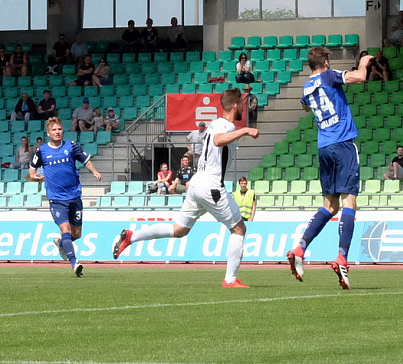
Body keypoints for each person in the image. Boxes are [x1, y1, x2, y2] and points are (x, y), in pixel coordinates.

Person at [113, 88, 260, 288]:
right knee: (239, 229)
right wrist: (245, 130)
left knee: (180, 229)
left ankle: (132, 236)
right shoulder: (226, 126)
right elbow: (218, 140)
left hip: (197, 183)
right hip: (211, 186)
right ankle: (230, 280)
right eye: (241, 105)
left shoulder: (215, 124)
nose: (243, 108)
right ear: (235, 105)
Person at [286, 47, 372, 290]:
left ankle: (300, 248)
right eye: (328, 59)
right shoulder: (329, 76)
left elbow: (305, 106)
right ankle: (342, 257)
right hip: (342, 143)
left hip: (324, 147)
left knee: (330, 206)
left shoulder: (307, 86)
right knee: (349, 201)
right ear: (324, 61)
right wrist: (364, 62)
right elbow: (360, 77)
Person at [29, 117, 102, 277]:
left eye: (59, 129)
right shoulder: (42, 151)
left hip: (74, 196)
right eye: (54, 130)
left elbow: (86, 160)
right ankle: (74, 263)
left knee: (77, 234)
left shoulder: (71, 146)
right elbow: (32, 170)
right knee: (65, 229)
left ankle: (61, 243)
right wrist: (35, 177)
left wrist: (95, 171)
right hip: (56, 198)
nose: (57, 132)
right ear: (48, 133)